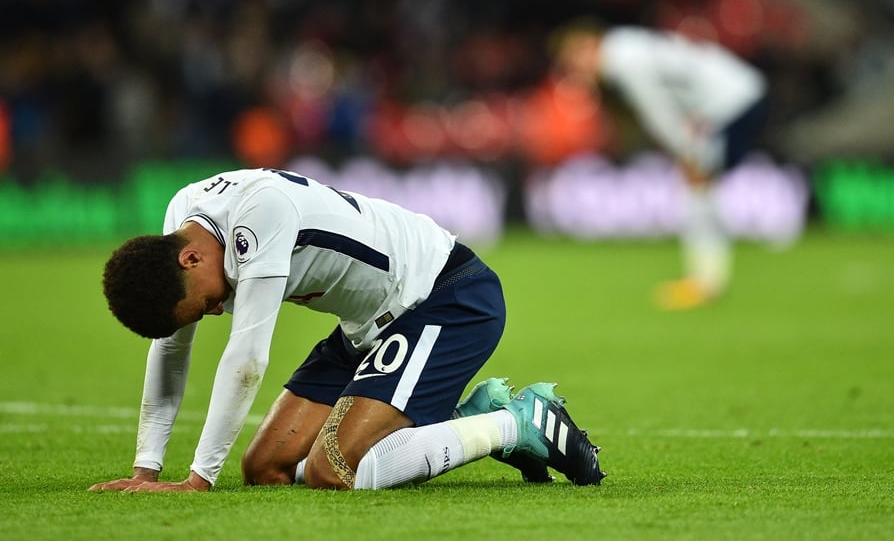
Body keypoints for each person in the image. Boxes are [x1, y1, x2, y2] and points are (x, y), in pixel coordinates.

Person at [89, 167, 604, 492]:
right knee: (263, 469)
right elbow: (169, 354)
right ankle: (443, 423)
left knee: (331, 468)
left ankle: (516, 424)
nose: (215, 309)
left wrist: (197, 480)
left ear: (191, 256)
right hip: (366, 326)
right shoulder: (182, 217)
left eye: (203, 305)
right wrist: (146, 470)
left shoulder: (257, 215)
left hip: (443, 298)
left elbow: (246, 359)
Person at [555, 23, 771, 310]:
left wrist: (685, 149)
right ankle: (706, 280)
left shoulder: (624, 62)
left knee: (698, 185)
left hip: (732, 102)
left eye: (576, 59)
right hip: (739, 93)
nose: (579, 71)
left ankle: (704, 281)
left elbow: (657, 110)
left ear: (591, 44)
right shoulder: (629, 45)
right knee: (701, 186)